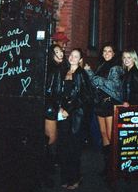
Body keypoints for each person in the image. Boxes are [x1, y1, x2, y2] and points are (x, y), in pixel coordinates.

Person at [84, 43, 123, 179]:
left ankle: (116, 167)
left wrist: (93, 76)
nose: (106, 53)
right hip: (100, 104)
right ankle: (108, 166)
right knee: (103, 134)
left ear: (113, 54)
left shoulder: (116, 67)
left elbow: (113, 86)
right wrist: (90, 74)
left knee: (111, 135)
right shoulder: (102, 66)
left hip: (109, 104)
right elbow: (95, 84)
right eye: (105, 51)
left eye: (109, 51)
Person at [57, 48, 93, 190]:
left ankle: (76, 178)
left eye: (76, 56)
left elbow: (85, 97)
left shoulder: (81, 74)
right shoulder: (64, 71)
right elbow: (61, 93)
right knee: (65, 147)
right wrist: (60, 107)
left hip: (76, 117)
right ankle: (66, 177)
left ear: (80, 60)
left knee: (73, 149)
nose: (72, 57)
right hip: (64, 115)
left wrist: (69, 110)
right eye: (71, 55)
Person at [44, 44, 69, 187]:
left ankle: (48, 169)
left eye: (61, 51)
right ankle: (46, 171)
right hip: (50, 109)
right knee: (51, 140)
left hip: (53, 108)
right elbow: (50, 91)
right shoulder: (54, 69)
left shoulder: (60, 67)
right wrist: (57, 107)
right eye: (57, 51)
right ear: (52, 54)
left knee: (52, 139)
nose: (60, 53)